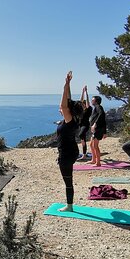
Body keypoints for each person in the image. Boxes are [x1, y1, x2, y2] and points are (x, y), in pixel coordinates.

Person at [56, 71, 84, 212]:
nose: (60, 107)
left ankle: (69, 206)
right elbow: (68, 102)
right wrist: (67, 86)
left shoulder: (69, 121)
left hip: (67, 154)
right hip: (71, 151)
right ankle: (69, 204)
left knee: (68, 181)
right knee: (68, 179)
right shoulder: (73, 119)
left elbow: (65, 105)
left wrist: (66, 85)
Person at [88, 94, 106, 167]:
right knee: (91, 144)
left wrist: (95, 124)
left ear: (96, 101)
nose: (91, 101)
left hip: (98, 129)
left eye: (92, 100)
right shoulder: (96, 107)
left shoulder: (98, 107)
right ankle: (93, 160)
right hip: (96, 129)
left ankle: (98, 163)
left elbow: (102, 115)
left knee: (95, 145)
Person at [78, 85, 93, 160]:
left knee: (81, 135)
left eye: (84, 104)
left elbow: (87, 101)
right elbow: (81, 101)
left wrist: (86, 92)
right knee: (82, 141)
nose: (83, 105)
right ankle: (84, 155)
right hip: (80, 125)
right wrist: (82, 92)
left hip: (85, 125)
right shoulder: (81, 110)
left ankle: (84, 154)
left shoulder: (89, 109)